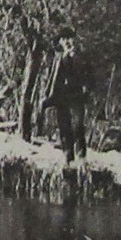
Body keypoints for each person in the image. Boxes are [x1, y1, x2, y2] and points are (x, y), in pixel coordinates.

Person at [45, 28, 91, 163]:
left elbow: (90, 76)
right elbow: (52, 78)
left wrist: (86, 90)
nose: (66, 42)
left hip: (77, 96)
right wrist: (48, 95)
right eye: (63, 39)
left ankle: (81, 157)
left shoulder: (82, 57)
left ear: (74, 39)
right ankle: (68, 157)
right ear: (60, 42)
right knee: (64, 128)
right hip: (61, 97)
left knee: (78, 126)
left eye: (69, 38)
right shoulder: (58, 58)